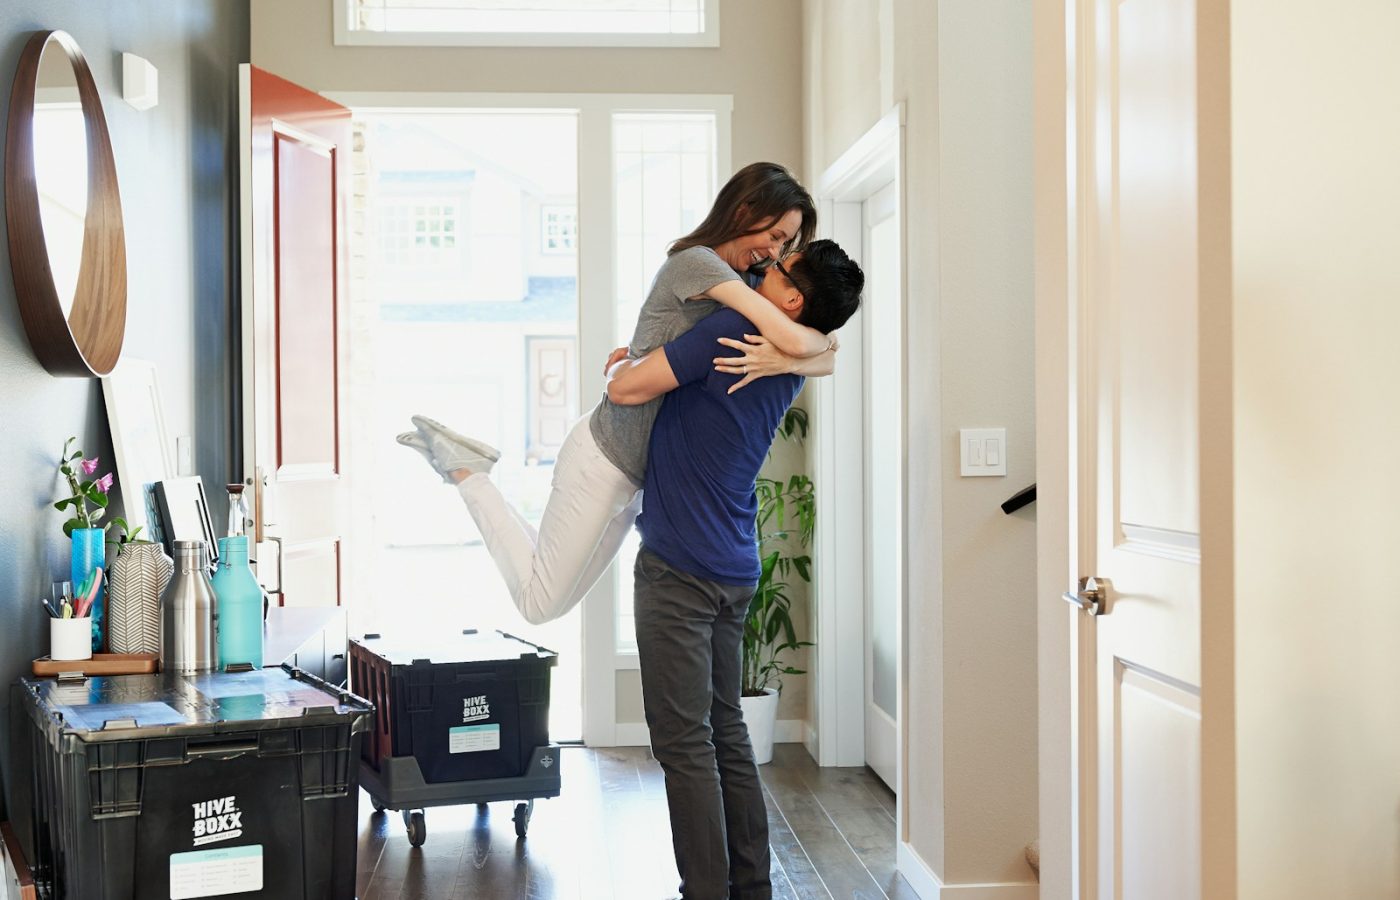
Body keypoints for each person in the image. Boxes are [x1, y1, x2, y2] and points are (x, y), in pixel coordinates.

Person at [399, 162, 840, 625]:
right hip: (604, 457)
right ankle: (468, 471)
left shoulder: (749, 281)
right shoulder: (698, 264)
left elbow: (829, 351)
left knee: (552, 595)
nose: (774, 252)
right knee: (538, 604)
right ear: (745, 210)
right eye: (775, 236)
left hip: (634, 480)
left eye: (784, 244)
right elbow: (801, 336)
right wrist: (794, 351)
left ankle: (468, 466)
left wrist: (790, 359)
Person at [606, 240, 864, 900]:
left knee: (685, 745)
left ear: (791, 298)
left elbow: (630, 387)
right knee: (725, 735)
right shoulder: (796, 356)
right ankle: (751, 888)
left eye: (775, 269)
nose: (760, 271)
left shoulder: (734, 329)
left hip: (679, 568)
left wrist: (619, 371)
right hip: (732, 565)